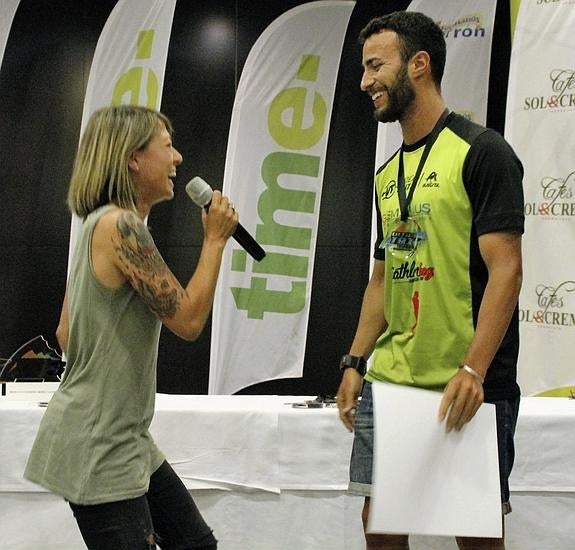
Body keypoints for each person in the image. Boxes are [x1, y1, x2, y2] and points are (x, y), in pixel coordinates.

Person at [336, 12, 524, 550]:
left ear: (419, 65)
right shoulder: (386, 172)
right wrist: (354, 360)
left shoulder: (483, 153)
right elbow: (382, 276)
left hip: (466, 383)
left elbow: (506, 270)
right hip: (391, 380)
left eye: (376, 65)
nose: (365, 81)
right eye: (364, 68)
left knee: (476, 535)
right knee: (381, 529)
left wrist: (474, 368)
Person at [24, 105, 239, 549]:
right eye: (167, 146)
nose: (178, 157)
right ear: (133, 158)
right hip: (101, 443)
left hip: (122, 437)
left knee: (195, 543)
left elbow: (66, 331)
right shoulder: (121, 226)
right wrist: (215, 240)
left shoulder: (98, 223)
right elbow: (189, 320)